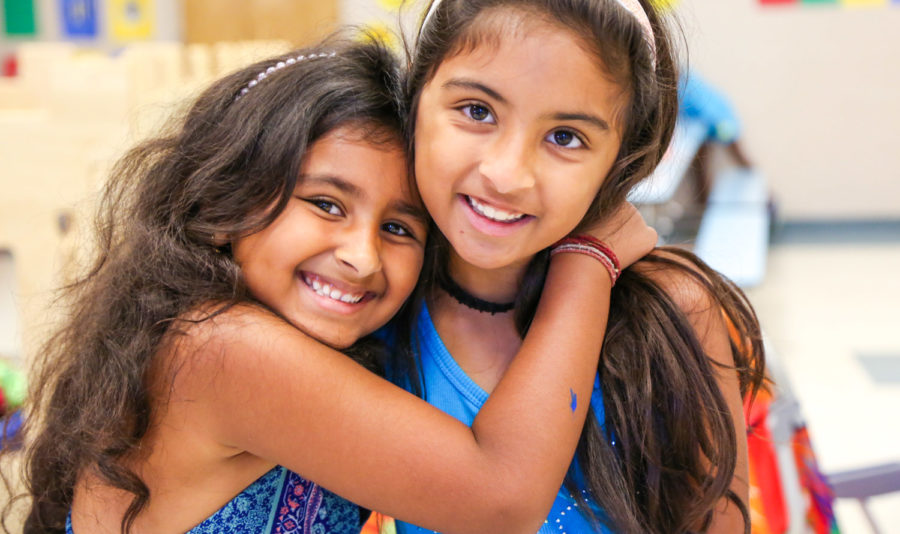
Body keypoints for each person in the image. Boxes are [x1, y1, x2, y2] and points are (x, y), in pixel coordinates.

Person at [8, 36, 656, 534]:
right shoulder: (223, 348)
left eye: (400, 228)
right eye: (326, 204)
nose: (362, 257)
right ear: (226, 201)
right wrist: (587, 259)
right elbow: (500, 498)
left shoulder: (276, 339)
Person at [386, 0, 766, 534]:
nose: (508, 174)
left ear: (622, 162)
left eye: (565, 137)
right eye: (477, 111)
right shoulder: (372, 310)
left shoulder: (674, 312)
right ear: (413, 105)